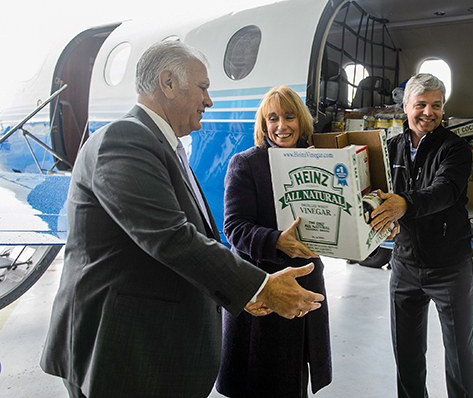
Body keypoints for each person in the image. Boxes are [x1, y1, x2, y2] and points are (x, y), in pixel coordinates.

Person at [40, 42, 325, 398]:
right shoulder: (125, 139)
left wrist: (235, 293)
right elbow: (171, 238)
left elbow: (193, 236)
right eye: (203, 88)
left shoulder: (164, 146)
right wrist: (259, 285)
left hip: (147, 346)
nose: (209, 101)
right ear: (168, 83)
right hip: (121, 350)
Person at [369, 73, 473, 398]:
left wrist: (404, 204)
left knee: (461, 358)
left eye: (436, 105)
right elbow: (376, 193)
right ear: (405, 106)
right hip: (404, 266)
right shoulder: (391, 148)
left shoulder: (456, 149)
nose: (428, 112)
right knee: (407, 359)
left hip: (450, 267)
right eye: (421, 104)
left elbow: (444, 192)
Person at [215, 86, 332, 397]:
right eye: (273, 118)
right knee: (261, 380)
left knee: (294, 380)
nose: (282, 126)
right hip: (262, 285)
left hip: (305, 282)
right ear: (263, 125)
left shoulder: (319, 160)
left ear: (302, 120)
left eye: (289, 117)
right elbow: (234, 228)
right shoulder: (246, 164)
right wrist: (277, 241)